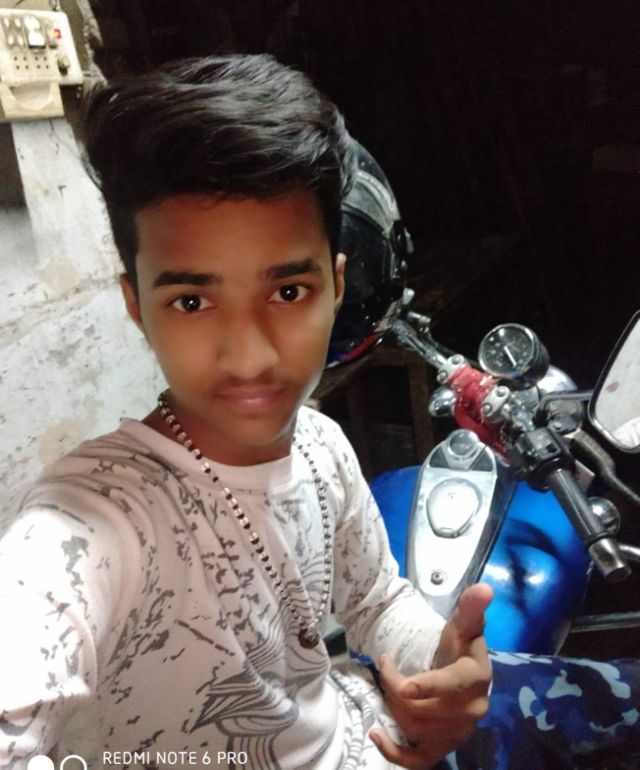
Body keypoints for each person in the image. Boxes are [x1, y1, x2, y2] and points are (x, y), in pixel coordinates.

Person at [0, 54, 638, 770]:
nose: (249, 355)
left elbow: (376, 600)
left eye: (288, 292)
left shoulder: (322, 445)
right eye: (192, 300)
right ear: (135, 306)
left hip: (366, 727)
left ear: (336, 287)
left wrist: (441, 670)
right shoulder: (88, 525)